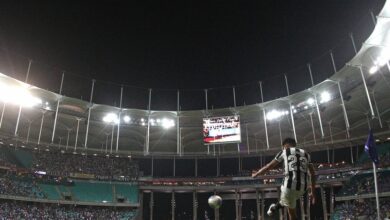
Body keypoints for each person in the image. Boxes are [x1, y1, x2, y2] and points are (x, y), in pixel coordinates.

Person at [252, 138, 316, 220]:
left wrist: (256, 174)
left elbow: (269, 166)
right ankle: (274, 208)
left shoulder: (284, 151)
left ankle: (273, 208)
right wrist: (313, 192)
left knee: (292, 213)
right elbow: (313, 174)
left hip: (289, 187)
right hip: (303, 189)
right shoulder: (306, 154)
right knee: (288, 202)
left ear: (285, 146)